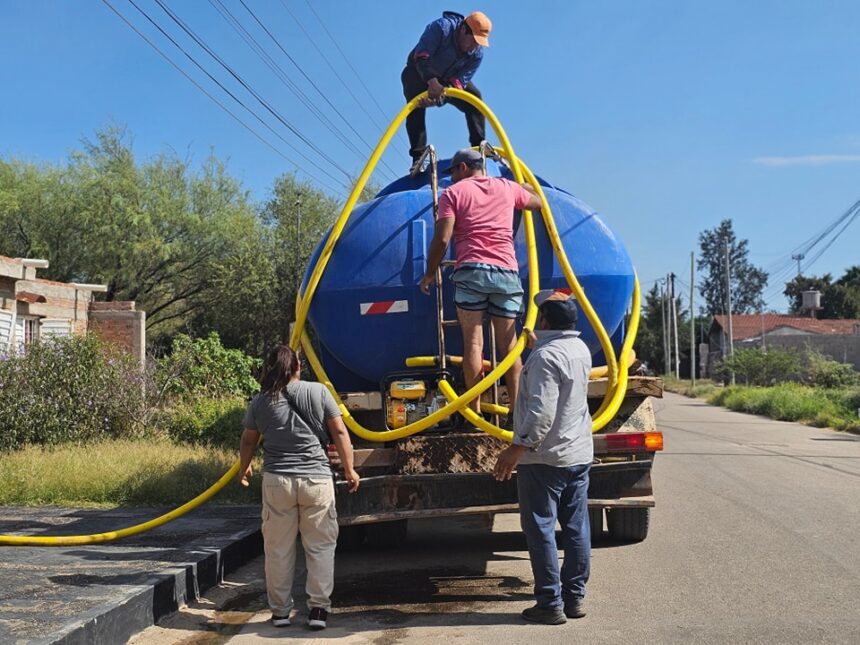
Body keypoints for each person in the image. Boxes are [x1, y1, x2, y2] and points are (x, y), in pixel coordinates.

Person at [238, 345, 360, 631]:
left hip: (277, 482)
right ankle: (318, 610)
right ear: (298, 366)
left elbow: (248, 440)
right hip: (316, 481)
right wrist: (350, 468)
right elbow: (340, 431)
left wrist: (244, 467)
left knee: (278, 549)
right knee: (319, 547)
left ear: (270, 368)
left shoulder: (260, 401)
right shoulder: (318, 392)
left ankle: (280, 612)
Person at [493, 290, 593, 625]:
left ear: (546, 320)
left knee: (541, 528)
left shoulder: (543, 358)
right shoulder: (579, 349)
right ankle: (574, 598)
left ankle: (550, 603)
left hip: (544, 458)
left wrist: (515, 449)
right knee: (576, 527)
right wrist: (539, 343)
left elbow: (540, 412)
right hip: (577, 454)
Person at [419, 148, 543, 418]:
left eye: (452, 172)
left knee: (473, 345)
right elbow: (537, 203)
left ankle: (474, 414)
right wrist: (524, 185)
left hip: (472, 272)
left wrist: (429, 273)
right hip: (506, 273)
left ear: (463, 168)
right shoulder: (506, 188)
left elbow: (442, 239)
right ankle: (517, 413)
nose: (451, 178)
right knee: (509, 348)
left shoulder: (453, 194)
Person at [402, 11, 492, 173]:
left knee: (475, 99)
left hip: (446, 80)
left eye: (480, 42)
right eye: (474, 40)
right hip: (418, 71)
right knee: (415, 107)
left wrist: (437, 99)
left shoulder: (476, 54)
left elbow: (458, 83)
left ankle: (479, 151)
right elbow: (421, 56)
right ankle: (418, 157)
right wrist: (431, 82)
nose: (475, 46)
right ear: (463, 30)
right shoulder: (441, 28)